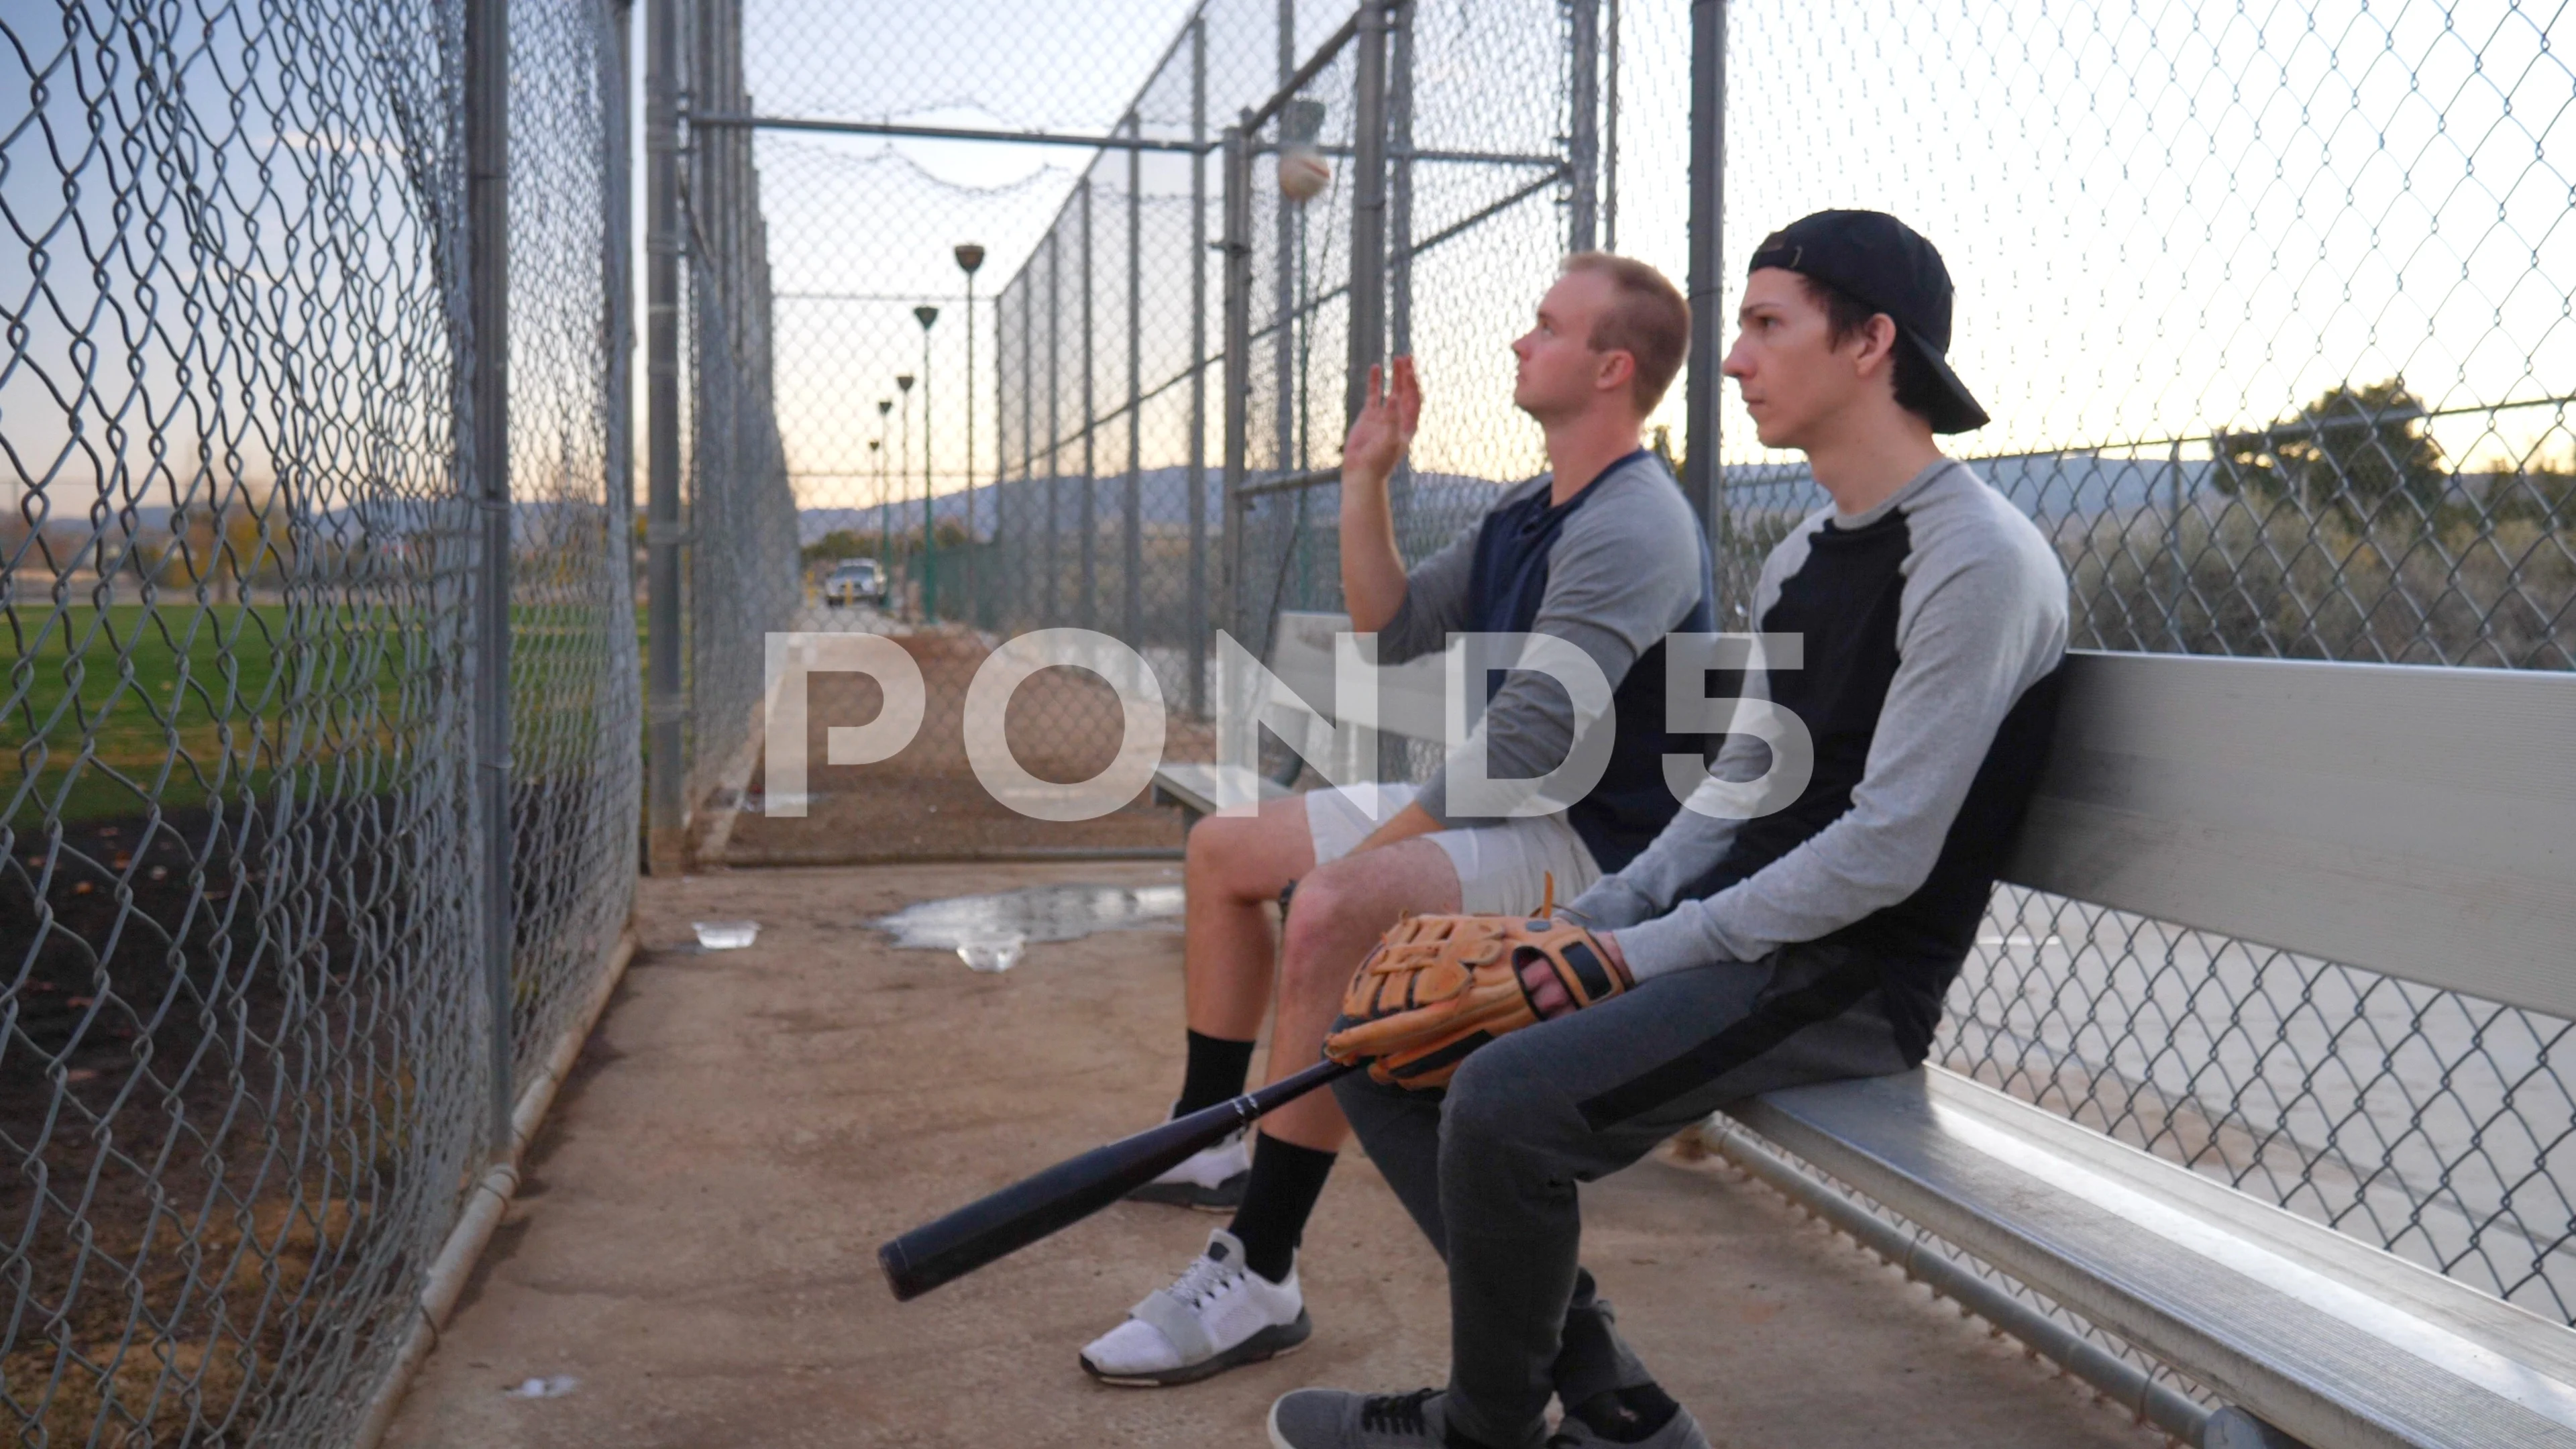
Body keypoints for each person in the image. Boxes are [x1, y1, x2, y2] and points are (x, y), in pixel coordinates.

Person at [1265, 209, 2071, 1448]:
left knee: (1498, 1103)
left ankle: (1485, 1428)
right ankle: (1616, 1402)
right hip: (1730, 941)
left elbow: (1886, 849)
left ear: (1871, 344)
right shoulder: (1805, 549)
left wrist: (1637, 954)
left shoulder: (1978, 560)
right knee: (1383, 1038)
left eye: (1765, 324)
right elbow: (1738, 791)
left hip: (1845, 974)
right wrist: (1591, 919)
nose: (1735, 359)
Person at [1079, 254, 1715, 1387]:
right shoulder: (1531, 509)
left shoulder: (1635, 524)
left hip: (1605, 852)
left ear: (1611, 367)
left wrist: (1368, 864)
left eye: (1546, 327)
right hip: (1521, 813)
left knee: (1335, 908)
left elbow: (1529, 744)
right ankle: (1209, 1133)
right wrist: (1367, 477)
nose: (1521, 344)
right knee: (1227, 850)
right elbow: (1392, 624)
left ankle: (1261, 1269)